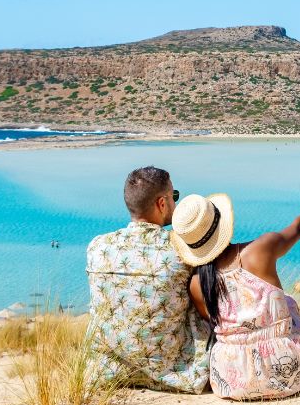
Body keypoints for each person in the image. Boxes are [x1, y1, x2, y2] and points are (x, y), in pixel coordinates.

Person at [170, 191, 300, 400]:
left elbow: (212, 323)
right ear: (222, 223)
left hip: (230, 381)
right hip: (285, 373)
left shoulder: (197, 284)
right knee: (288, 302)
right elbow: (297, 229)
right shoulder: (261, 249)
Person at [84, 166, 210, 393]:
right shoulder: (180, 249)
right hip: (174, 372)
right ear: (162, 203)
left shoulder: (97, 247)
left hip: (106, 372)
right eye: (174, 196)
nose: (175, 203)